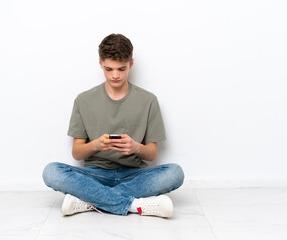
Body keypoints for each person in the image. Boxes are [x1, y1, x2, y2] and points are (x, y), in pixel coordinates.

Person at [42, 33, 184, 218]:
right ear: (100, 63)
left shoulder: (148, 100)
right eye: (109, 69)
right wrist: (96, 145)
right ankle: (133, 205)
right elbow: (77, 153)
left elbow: (152, 154)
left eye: (121, 69)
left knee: (175, 173)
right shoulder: (83, 100)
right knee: (51, 172)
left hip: (133, 175)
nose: (115, 75)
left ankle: (89, 201)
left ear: (131, 64)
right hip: (94, 175)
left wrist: (135, 147)